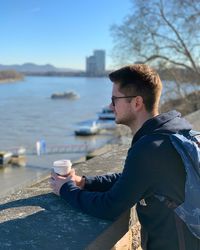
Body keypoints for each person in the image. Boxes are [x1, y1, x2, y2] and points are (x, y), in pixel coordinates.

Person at [50, 64, 200, 250]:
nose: (110, 106)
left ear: (137, 103)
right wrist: (84, 182)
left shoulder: (150, 149)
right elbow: (133, 180)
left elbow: (110, 206)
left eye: (114, 100)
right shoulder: (174, 134)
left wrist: (66, 190)